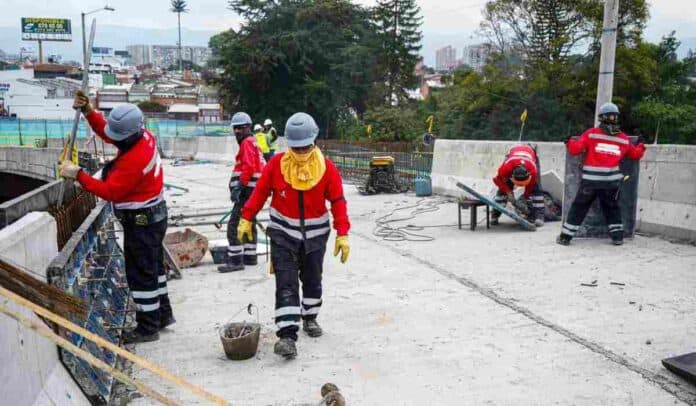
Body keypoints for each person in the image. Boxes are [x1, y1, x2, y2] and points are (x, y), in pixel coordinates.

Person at [59, 91, 173, 344]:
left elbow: (110, 191)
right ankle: (162, 315)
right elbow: (111, 133)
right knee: (153, 269)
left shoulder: (134, 159)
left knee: (141, 276)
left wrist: (78, 174)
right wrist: (89, 112)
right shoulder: (141, 136)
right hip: (153, 217)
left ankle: (147, 327)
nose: (113, 139)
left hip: (142, 222)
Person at [238, 112, 350, 359]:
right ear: (288, 144)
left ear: (314, 142)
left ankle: (310, 317)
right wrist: (246, 217)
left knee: (312, 280)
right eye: (296, 148)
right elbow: (260, 193)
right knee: (286, 282)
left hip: (315, 236)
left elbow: (338, 201)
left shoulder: (327, 168)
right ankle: (287, 335)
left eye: (305, 147)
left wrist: (343, 233)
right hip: (282, 233)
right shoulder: (276, 165)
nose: (301, 152)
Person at [557, 102, 646, 246]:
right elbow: (635, 155)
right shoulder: (622, 138)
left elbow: (575, 150)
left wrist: (568, 142)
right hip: (611, 183)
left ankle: (565, 237)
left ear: (601, 117)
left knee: (578, 208)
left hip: (590, 182)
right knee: (612, 209)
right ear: (616, 118)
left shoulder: (591, 134)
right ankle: (617, 237)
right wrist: (641, 144)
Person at [218, 112, 266, 273]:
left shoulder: (246, 143)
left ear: (248, 128)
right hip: (253, 190)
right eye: (235, 128)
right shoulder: (253, 142)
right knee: (248, 222)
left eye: (241, 128)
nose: (237, 131)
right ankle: (250, 257)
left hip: (247, 190)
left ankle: (236, 260)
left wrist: (239, 186)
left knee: (234, 225)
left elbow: (249, 167)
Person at [491, 144, 545, 227]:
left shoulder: (533, 170)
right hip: (512, 155)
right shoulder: (506, 168)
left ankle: (539, 217)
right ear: (511, 175)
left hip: (530, 154)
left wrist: (525, 197)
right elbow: (496, 179)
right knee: (503, 188)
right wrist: (508, 191)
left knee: (536, 188)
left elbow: (530, 186)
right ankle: (495, 214)